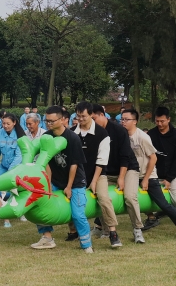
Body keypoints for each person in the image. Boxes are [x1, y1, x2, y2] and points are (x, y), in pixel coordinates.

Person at [31, 106, 93, 253]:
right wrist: (48, 185)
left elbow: (74, 165)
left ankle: (86, 244)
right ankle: (47, 237)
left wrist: (69, 186)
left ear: (62, 120)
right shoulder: (46, 137)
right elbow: (47, 162)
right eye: (47, 121)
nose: (49, 124)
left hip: (75, 181)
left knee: (78, 214)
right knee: (39, 201)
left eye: (52, 121)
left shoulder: (72, 138)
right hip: (56, 180)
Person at [69, 101, 122, 248]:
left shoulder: (102, 133)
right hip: (77, 175)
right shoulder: (72, 133)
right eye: (78, 116)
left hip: (98, 174)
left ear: (91, 114)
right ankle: (74, 231)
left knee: (104, 198)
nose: (80, 119)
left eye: (83, 116)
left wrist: (94, 181)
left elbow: (102, 160)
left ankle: (113, 232)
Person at [90, 104, 145, 244]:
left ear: (102, 115)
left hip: (128, 168)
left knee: (130, 197)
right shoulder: (93, 132)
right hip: (106, 171)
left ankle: (137, 229)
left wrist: (121, 177)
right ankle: (106, 229)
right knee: (100, 195)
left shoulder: (119, 130)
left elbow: (125, 156)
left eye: (94, 118)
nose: (92, 122)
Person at [121, 109, 176, 229]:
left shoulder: (143, 137)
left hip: (154, 175)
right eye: (122, 119)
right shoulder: (126, 135)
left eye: (126, 119)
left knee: (166, 203)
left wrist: (148, 179)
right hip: (135, 174)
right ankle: (151, 218)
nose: (159, 124)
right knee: (131, 197)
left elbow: (153, 158)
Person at [145, 107, 176, 229]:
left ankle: (165, 211)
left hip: (172, 174)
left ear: (168, 119)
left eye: (162, 121)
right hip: (154, 174)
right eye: (157, 121)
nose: (159, 124)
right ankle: (151, 218)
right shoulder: (150, 135)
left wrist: (169, 179)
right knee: (141, 193)